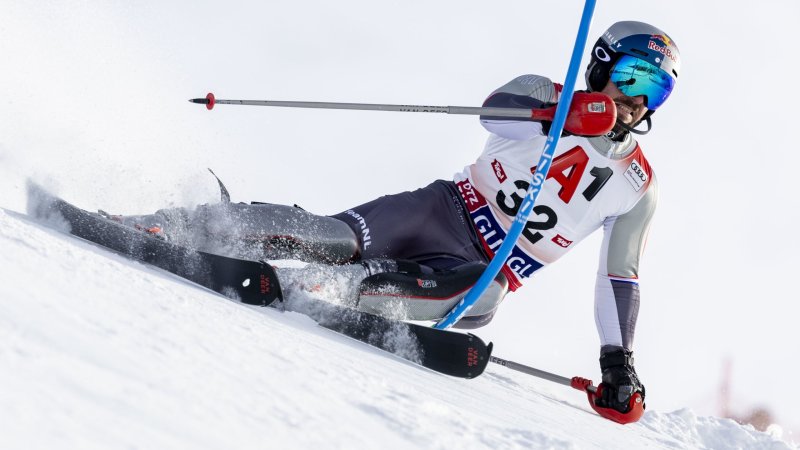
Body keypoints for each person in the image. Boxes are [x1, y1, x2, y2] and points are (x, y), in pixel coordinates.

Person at [113, 21, 679, 415]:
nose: (638, 100)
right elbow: (493, 114)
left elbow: (619, 278)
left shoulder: (637, 186)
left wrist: (617, 362)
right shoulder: (544, 93)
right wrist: (562, 114)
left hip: (483, 269)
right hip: (438, 210)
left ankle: (327, 288)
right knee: (333, 238)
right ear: (601, 66)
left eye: (656, 90)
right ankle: (176, 223)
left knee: (485, 295)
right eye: (633, 77)